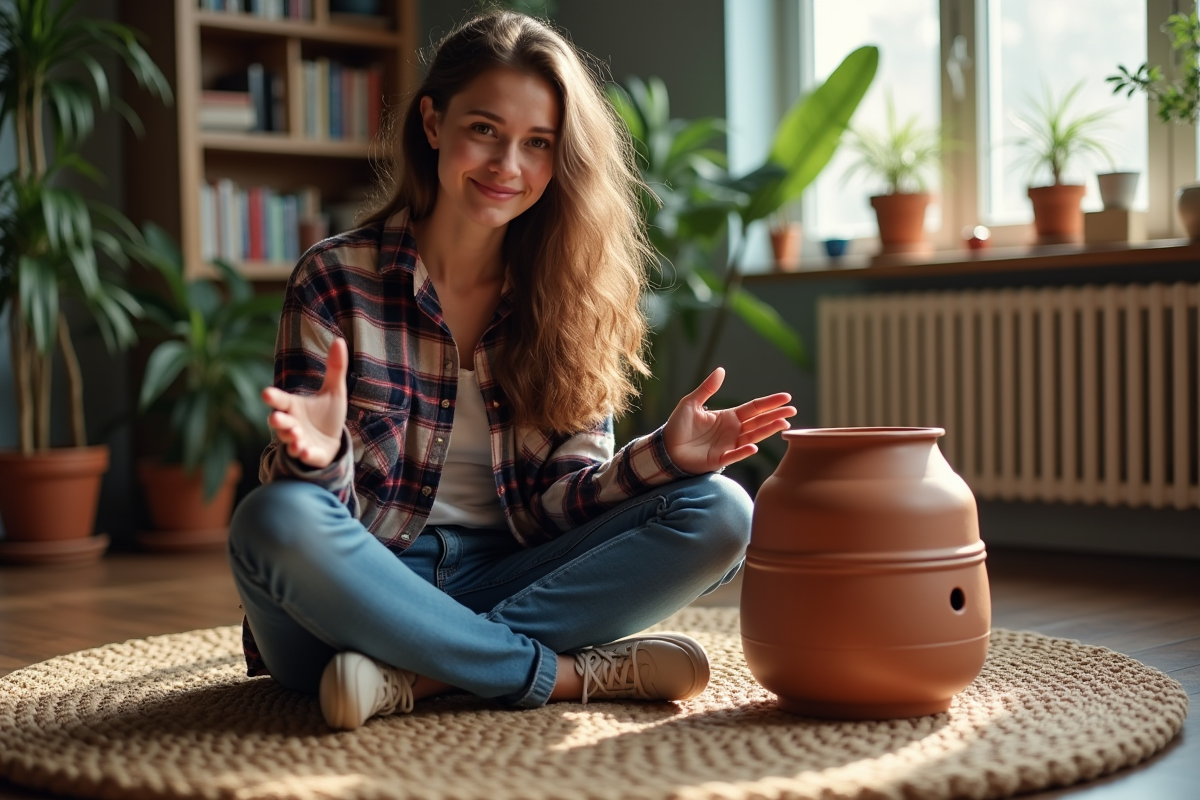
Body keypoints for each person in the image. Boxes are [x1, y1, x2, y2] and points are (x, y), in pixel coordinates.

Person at [227, 10, 795, 731]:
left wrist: (666, 459)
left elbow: (559, 504)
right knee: (272, 518)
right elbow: (322, 519)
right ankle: (557, 674)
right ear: (433, 123)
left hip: (509, 575)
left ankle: (420, 678)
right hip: (362, 594)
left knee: (720, 510)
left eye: (539, 144)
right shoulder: (335, 276)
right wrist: (321, 459)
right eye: (485, 131)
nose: (508, 167)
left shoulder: (570, 294)